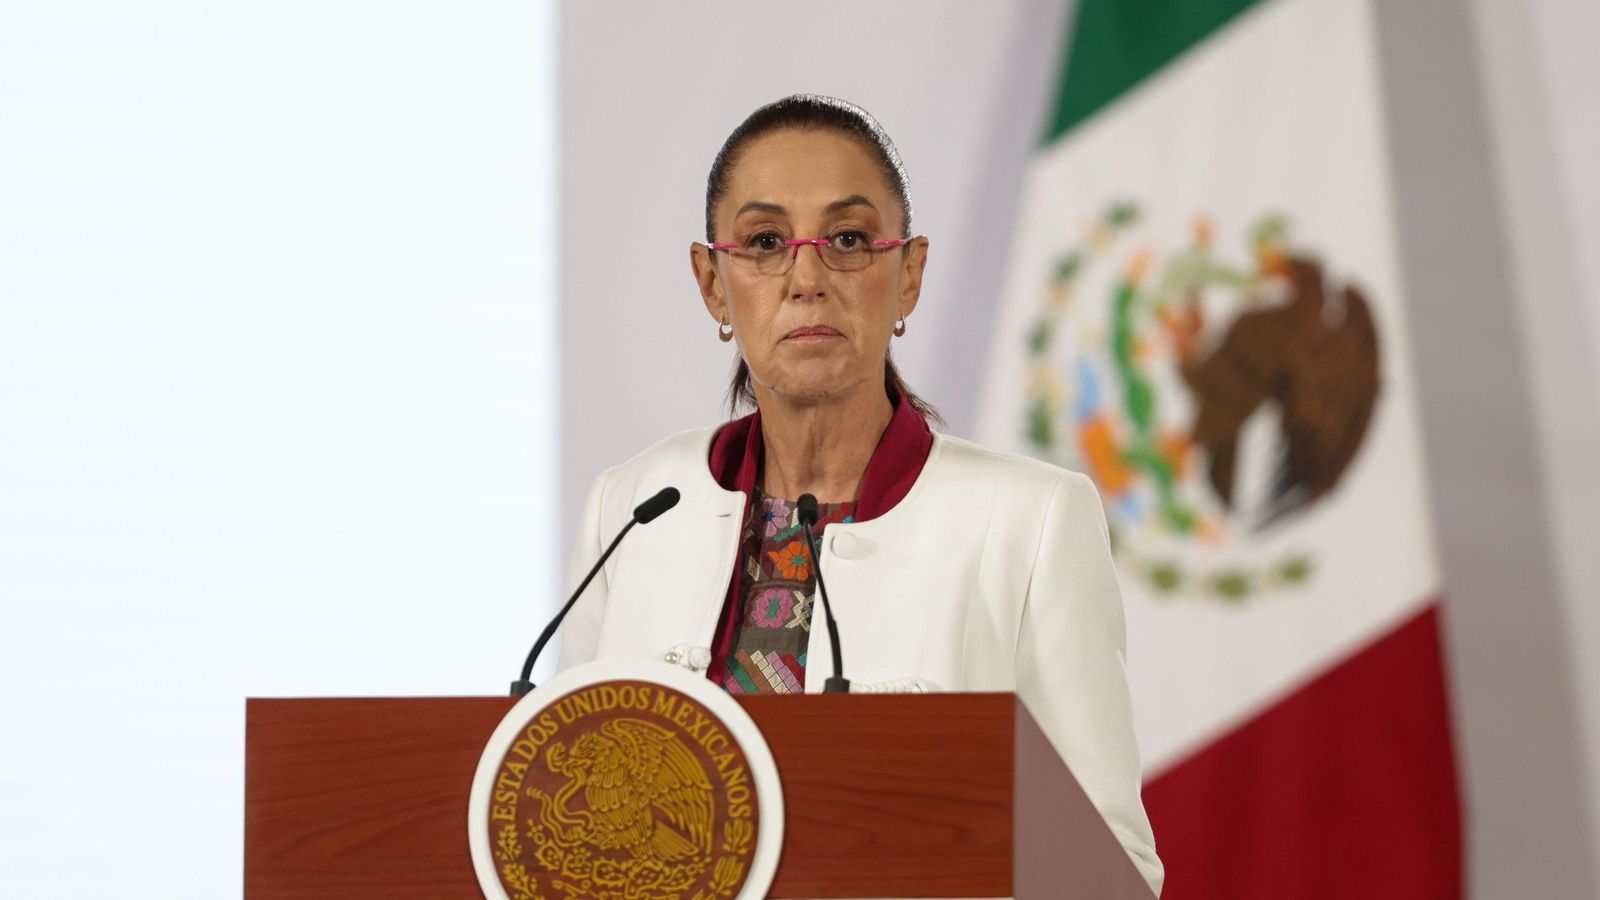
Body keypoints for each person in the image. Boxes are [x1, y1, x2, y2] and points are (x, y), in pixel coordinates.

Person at [556, 94, 1163, 895]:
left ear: (908, 274)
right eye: (765, 242)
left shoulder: (1032, 522)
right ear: (712, 284)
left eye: (846, 239)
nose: (806, 279)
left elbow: (1111, 868)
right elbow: (547, 816)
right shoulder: (630, 508)